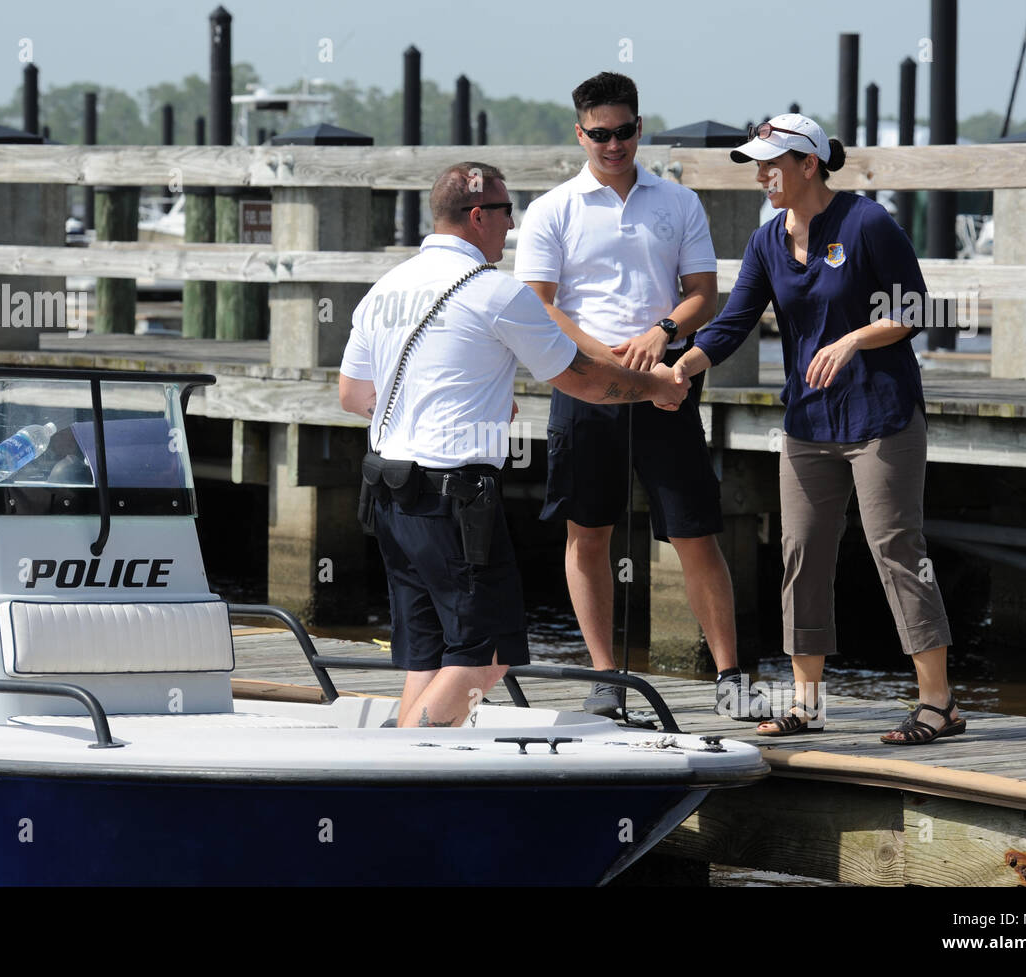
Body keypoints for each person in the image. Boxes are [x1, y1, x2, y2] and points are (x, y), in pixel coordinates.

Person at [339, 162, 691, 729]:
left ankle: (400, 769)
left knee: (432, 653)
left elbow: (355, 395)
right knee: (488, 656)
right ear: (479, 216)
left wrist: (450, 403)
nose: (512, 228)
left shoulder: (385, 287)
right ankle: (407, 766)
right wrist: (656, 388)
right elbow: (581, 381)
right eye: (507, 214)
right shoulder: (496, 292)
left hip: (387, 491)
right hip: (452, 498)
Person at [672, 113, 962, 744]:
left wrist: (855, 338)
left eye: (773, 163)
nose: (762, 174)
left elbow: (918, 308)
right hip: (807, 420)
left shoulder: (867, 223)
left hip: (882, 414)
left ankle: (938, 703)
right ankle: (807, 702)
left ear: (809, 164)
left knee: (897, 548)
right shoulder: (766, 241)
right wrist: (684, 367)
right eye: (756, 163)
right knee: (801, 552)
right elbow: (733, 321)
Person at [514, 71, 762, 720]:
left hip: (667, 384)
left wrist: (663, 333)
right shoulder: (551, 209)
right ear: (580, 134)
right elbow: (539, 307)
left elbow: (706, 294)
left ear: (639, 128)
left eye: (624, 131)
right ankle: (606, 678)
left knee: (695, 531)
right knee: (587, 532)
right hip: (584, 386)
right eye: (600, 134)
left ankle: (731, 673)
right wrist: (602, 358)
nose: (613, 144)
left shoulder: (677, 203)